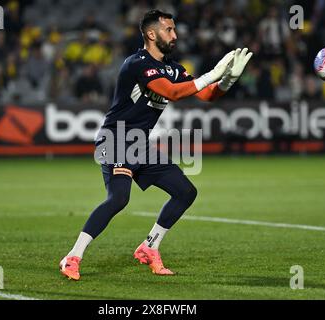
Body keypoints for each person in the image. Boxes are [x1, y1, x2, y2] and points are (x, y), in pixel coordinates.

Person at [59, 9, 252, 280]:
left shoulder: (173, 67)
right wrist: (211, 74)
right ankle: (73, 256)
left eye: (174, 30)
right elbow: (173, 93)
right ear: (152, 34)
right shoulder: (136, 63)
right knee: (119, 198)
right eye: (169, 30)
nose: (174, 35)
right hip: (115, 138)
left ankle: (149, 247)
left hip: (139, 144)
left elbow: (207, 95)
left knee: (185, 192)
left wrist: (228, 80)